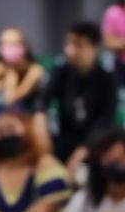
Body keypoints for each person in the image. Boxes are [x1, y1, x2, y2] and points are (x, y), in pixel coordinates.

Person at [41, 20, 117, 169]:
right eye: (68, 44)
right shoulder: (62, 72)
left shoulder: (107, 79)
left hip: (95, 144)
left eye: (78, 45)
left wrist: (83, 151)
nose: (70, 50)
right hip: (65, 140)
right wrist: (40, 121)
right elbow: (43, 100)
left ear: (94, 47)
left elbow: (105, 122)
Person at [0, 27, 45, 113]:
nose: (9, 48)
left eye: (13, 44)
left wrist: (11, 77)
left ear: (25, 46)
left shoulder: (35, 70)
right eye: (4, 44)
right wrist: (0, 85)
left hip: (29, 115)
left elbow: (10, 99)